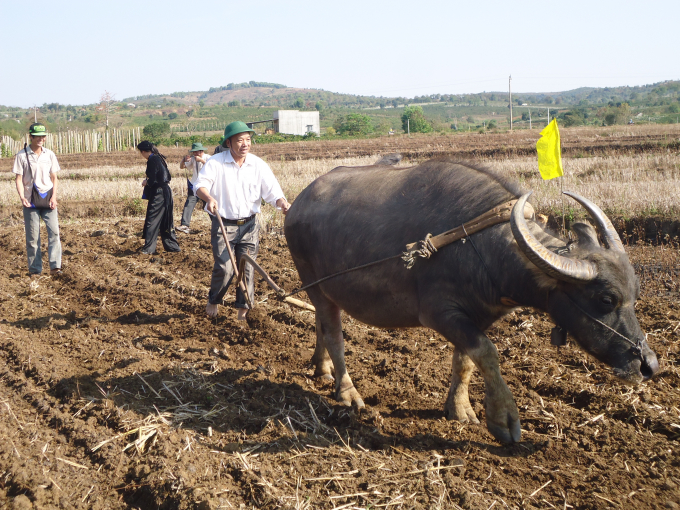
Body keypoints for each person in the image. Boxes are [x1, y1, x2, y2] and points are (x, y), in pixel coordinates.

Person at [195, 121, 290, 321]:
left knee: (248, 268)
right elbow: (200, 186)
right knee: (225, 268)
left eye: (248, 139)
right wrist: (209, 198)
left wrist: (282, 203)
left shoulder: (257, 164)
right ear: (229, 143)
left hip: (249, 225)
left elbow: (272, 192)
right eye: (240, 140)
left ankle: (243, 310)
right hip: (224, 224)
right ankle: (214, 300)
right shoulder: (216, 162)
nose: (245, 144)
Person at [12, 123, 62, 275]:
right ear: (31, 136)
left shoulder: (49, 154)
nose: (41, 138)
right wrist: (22, 197)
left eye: (43, 136)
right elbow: (18, 179)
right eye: (38, 136)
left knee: (54, 233)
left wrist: (54, 196)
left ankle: (55, 267)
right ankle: (35, 271)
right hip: (30, 200)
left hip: (47, 197)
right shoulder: (21, 155)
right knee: (33, 238)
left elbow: (54, 178)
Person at [137, 141, 180, 254]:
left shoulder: (152, 160)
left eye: (141, 153)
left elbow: (153, 179)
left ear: (143, 151)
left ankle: (149, 248)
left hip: (159, 193)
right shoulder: (159, 158)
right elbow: (167, 176)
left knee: (152, 219)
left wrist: (147, 182)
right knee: (166, 219)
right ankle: (172, 246)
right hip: (166, 191)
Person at [177, 142, 211, 233]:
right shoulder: (193, 160)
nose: (194, 154)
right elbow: (182, 167)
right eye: (193, 152)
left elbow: (212, 168)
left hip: (206, 186)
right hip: (195, 185)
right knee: (189, 204)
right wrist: (183, 160)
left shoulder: (208, 158)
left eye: (196, 152)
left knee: (209, 205)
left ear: (201, 151)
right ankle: (184, 225)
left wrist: (202, 161)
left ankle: (217, 223)